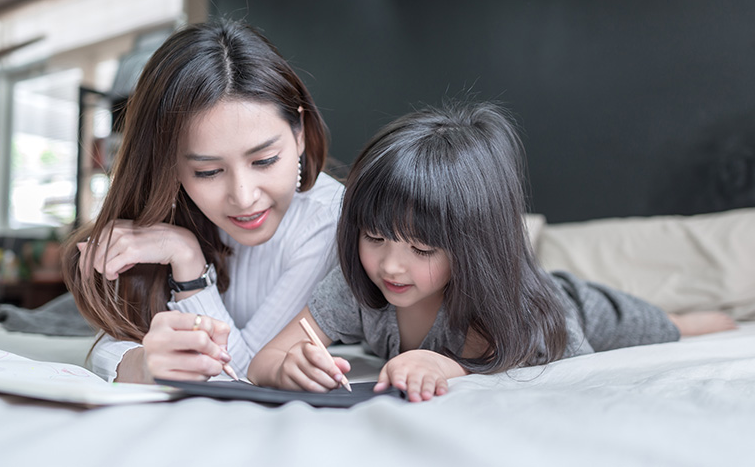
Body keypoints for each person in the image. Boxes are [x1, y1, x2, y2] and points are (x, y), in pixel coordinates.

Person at [247, 101, 736, 402]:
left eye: (421, 248)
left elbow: (571, 371)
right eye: (374, 237)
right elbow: (265, 358)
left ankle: (700, 316)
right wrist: (284, 368)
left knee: (676, 327)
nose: (390, 265)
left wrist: (449, 366)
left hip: (577, 308)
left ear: (471, 248)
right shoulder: (354, 287)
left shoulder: (517, 309)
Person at [63, 19, 344, 383]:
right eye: (208, 171)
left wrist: (189, 263)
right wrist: (141, 363)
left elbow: (243, 372)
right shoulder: (172, 204)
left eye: (264, 161)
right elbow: (119, 331)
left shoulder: (328, 218)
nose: (244, 197)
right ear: (171, 166)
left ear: (300, 134)